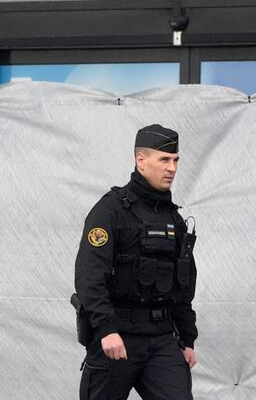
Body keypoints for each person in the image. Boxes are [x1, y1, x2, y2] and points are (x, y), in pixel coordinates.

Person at [74, 124, 198, 400]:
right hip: (117, 337)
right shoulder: (111, 210)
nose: (172, 168)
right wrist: (106, 329)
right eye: (164, 159)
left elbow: (182, 284)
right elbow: (89, 276)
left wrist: (187, 338)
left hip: (162, 338)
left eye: (175, 160)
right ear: (141, 161)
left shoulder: (173, 219)